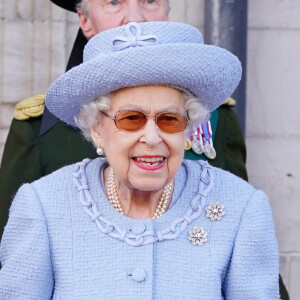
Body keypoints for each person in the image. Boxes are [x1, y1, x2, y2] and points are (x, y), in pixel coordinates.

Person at [0, 21, 279, 299]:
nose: (152, 138)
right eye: (131, 119)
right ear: (97, 128)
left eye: (169, 120)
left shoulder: (241, 208)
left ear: (188, 126)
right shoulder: (43, 206)